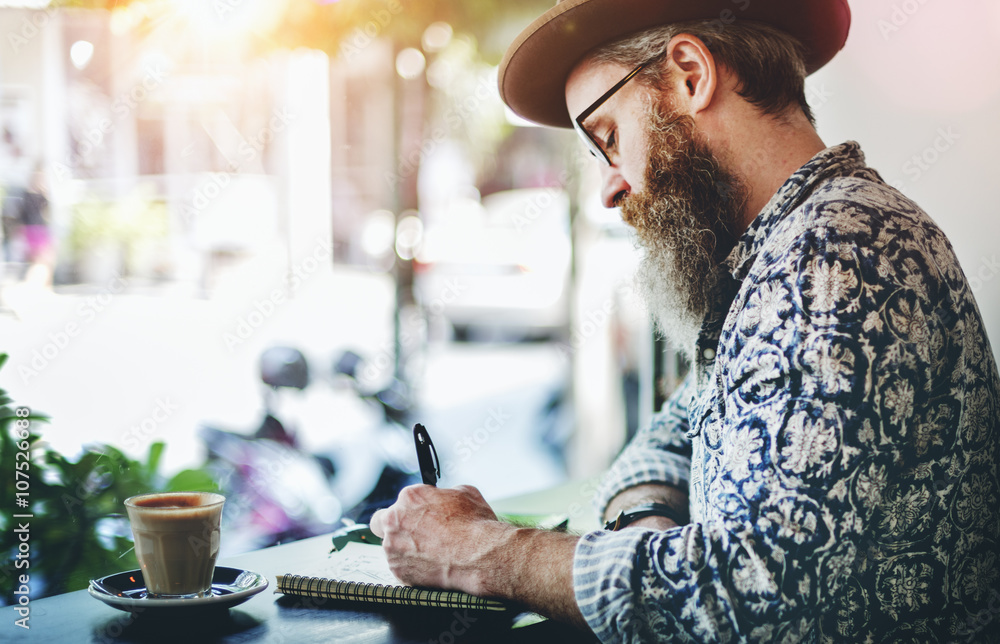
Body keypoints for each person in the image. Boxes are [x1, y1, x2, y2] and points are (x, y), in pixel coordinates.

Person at [370, 0, 1000, 641]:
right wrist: (648, 525)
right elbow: (676, 432)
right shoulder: (788, 251)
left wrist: (478, 551)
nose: (609, 188)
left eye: (608, 138)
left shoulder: (836, 254)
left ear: (691, 74)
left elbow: (749, 597)